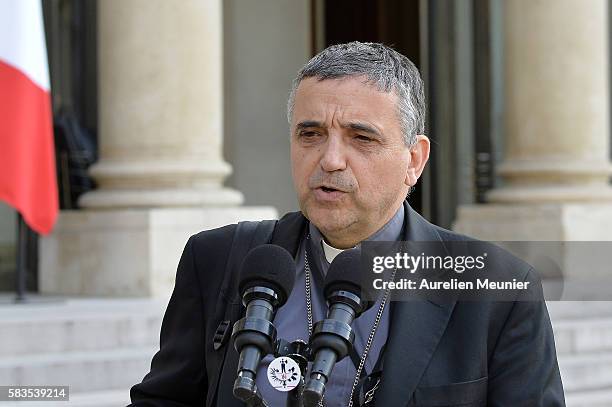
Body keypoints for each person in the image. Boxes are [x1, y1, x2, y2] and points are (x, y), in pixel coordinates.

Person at [129, 42, 565, 406]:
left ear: (414, 159)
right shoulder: (220, 259)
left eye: (362, 137)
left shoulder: (499, 289)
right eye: (310, 134)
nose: (331, 160)